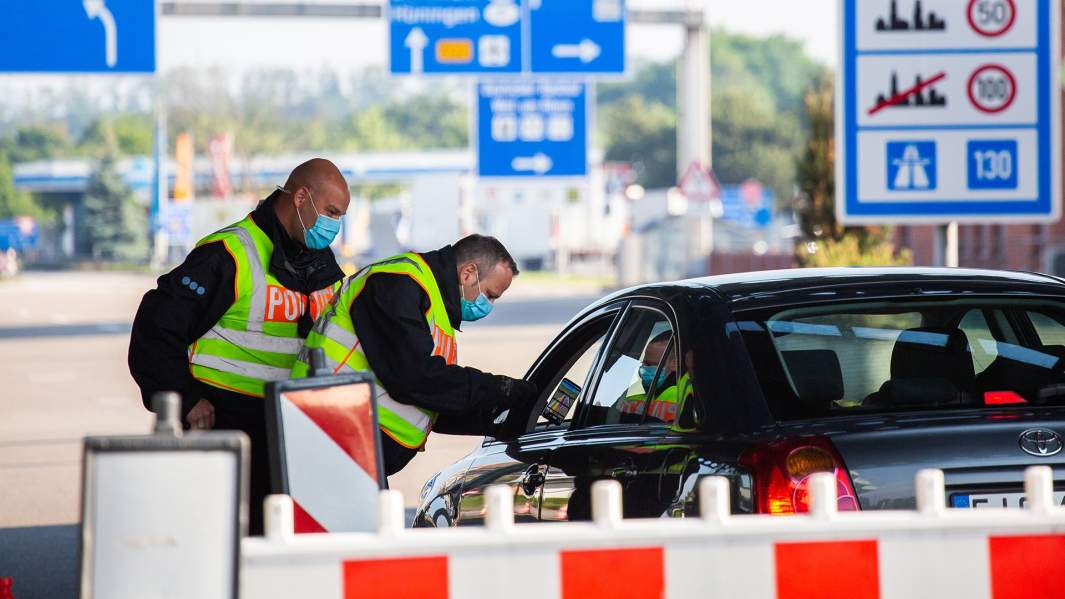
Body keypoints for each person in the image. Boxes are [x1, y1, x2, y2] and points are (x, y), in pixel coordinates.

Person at [128, 158, 350, 534]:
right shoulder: (229, 254)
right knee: (227, 545)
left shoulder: (323, 267)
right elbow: (156, 328)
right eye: (330, 211)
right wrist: (183, 397)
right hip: (227, 428)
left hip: (292, 433)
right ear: (300, 197)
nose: (335, 225)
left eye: (340, 215)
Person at [291, 234, 538, 476]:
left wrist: (494, 418)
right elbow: (415, 378)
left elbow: (434, 400)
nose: (488, 305)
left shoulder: (433, 306)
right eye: (490, 295)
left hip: (351, 448)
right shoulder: (396, 283)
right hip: (331, 437)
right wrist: (501, 389)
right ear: (468, 273)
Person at [614, 332, 690, 424]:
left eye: (652, 364)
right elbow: (612, 418)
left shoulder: (687, 395)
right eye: (644, 363)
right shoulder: (632, 392)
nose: (645, 368)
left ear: (674, 364)